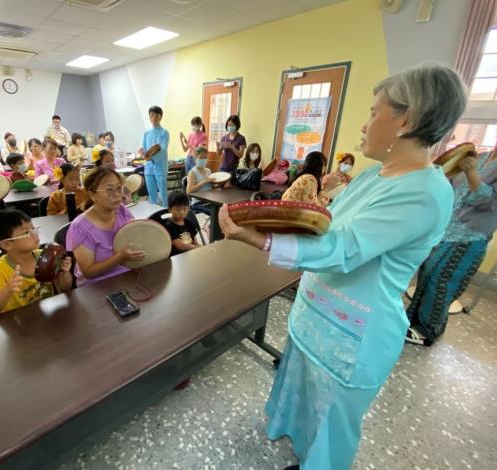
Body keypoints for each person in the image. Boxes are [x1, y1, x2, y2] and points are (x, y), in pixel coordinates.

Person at [217, 63, 466, 470]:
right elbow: (326, 225)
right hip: (317, 314)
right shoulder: (374, 176)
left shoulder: (424, 192)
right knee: (302, 400)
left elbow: (344, 247)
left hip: (353, 334)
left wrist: (262, 239)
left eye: (373, 112)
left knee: (332, 426)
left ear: (407, 120)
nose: (365, 124)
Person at [406, 143, 497, 345]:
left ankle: (428, 331)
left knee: (442, 281)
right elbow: (452, 182)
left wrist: (471, 171)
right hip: (445, 228)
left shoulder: (474, 164)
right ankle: (412, 320)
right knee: (427, 274)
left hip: (469, 236)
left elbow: (487, 201)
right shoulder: (481, 157)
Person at [0, 209, 73, 316]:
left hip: (47, 314)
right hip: (19, 322)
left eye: (33, 229)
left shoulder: (43, 256)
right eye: (26, 232)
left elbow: (66, 287)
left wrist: (64, 273)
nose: (35, 234)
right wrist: (7, 289)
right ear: (7, 244)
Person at [66, 167, 144, 286]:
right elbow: (88, 272)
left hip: (127, 278)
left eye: (119, 188)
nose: (118, 194)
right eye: (109, 190)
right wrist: (120, 257)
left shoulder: (122, 211)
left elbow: (133, 240)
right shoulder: (80, 227)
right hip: (97, 287)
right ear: (92, 195)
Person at [139, 105, 170, 207]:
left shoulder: (164, 132)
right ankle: (153, 210)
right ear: (149, 117)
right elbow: (144, 148)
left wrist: (152, 158)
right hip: (148, 166)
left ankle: (165, 209)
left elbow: (163, 149)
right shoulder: (146, 133)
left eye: (157, 115)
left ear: (161, 117)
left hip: (160, 165)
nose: (154, 118)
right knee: (151, 191)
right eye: (151, 115)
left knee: (162, 191)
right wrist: (142, 151)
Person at [165, 191, 200, 257]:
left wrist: (200, 248)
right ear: (170, 209)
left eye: (185, 209)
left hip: (191, 255)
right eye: (178, 209)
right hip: (177, 258)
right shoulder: (169, 226)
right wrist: (196, 248)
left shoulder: (189, 223)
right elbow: (180, 246)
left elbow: (194, 241)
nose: (181, 212)